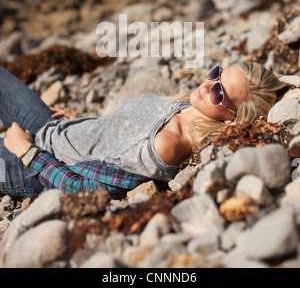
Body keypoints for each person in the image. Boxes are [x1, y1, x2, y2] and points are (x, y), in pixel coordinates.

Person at [0, 62, 289, 200]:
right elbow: (122, 133)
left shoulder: (167, 146)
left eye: (219, 92)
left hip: (38, 164)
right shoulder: (188, 107)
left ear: (232, 121)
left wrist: (28, 154)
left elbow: (86, 190)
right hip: (57, 128)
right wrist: (89, 124)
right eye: (216, 74)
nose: (205, 86)